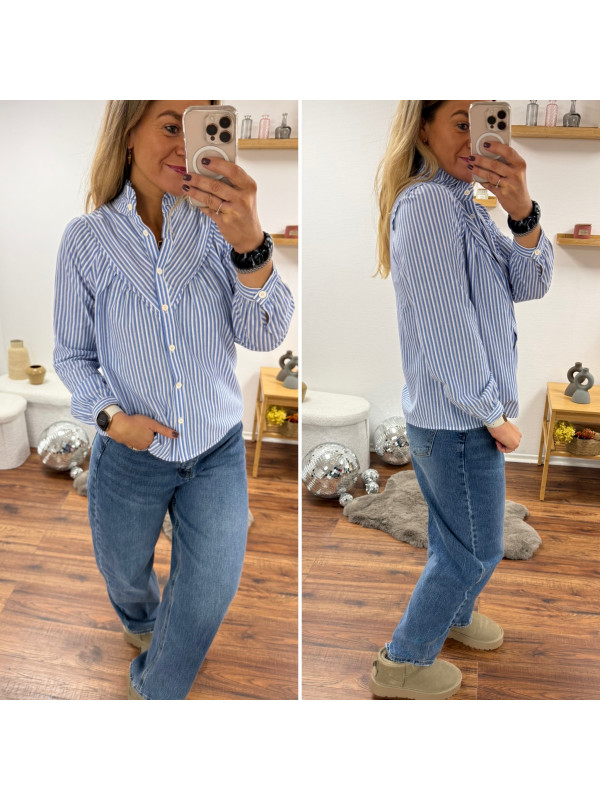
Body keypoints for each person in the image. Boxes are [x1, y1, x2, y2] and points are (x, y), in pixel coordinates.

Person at [53, 100, 294, 700]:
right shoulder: (85, 240)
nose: (187, 146)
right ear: (127, 133)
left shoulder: (220, 226)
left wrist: (251, 243)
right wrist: (113, 420)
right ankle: (141, 621)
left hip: (216, 448)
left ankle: (156, 692)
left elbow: (264, 334)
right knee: (124, 571)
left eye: (198, 127)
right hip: (129, 454)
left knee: (211, 587)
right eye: (170, 126)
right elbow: (72, 356)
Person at [370, 100, 553, 699]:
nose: (475, 140)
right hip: (458, 421)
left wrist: (521, 208)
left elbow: (530, 282)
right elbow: (447, 328)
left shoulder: (465, 205)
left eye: (484, 124)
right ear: (423, 126)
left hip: (454, 418)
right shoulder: (428, 205)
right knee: (475, 550)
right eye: (460, 123)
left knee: (458, 539)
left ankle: (455, 614)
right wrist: (493, 416)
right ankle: (402, 661)